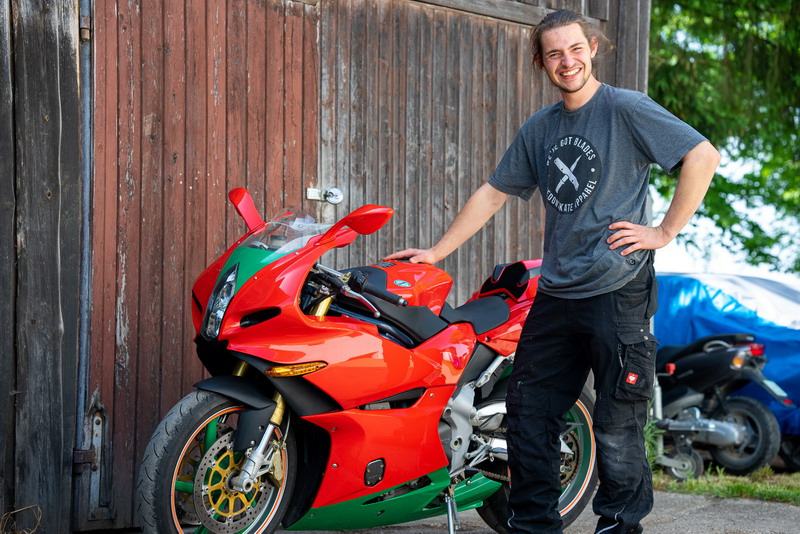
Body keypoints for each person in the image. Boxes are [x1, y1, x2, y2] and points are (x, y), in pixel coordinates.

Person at [385, 8, 720, 534]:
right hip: (558, 292)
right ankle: (535, 527)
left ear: (593, 49)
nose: (568, 62)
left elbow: (702, 155)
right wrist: (437, 250)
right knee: (528, 413)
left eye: (576, 49)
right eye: (555, 54)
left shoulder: (625, 109)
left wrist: (663, 232)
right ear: (541, 63)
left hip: (617, 288)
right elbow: (494, 192)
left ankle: (618, 527)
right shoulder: (541, 128)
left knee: (617, 421)